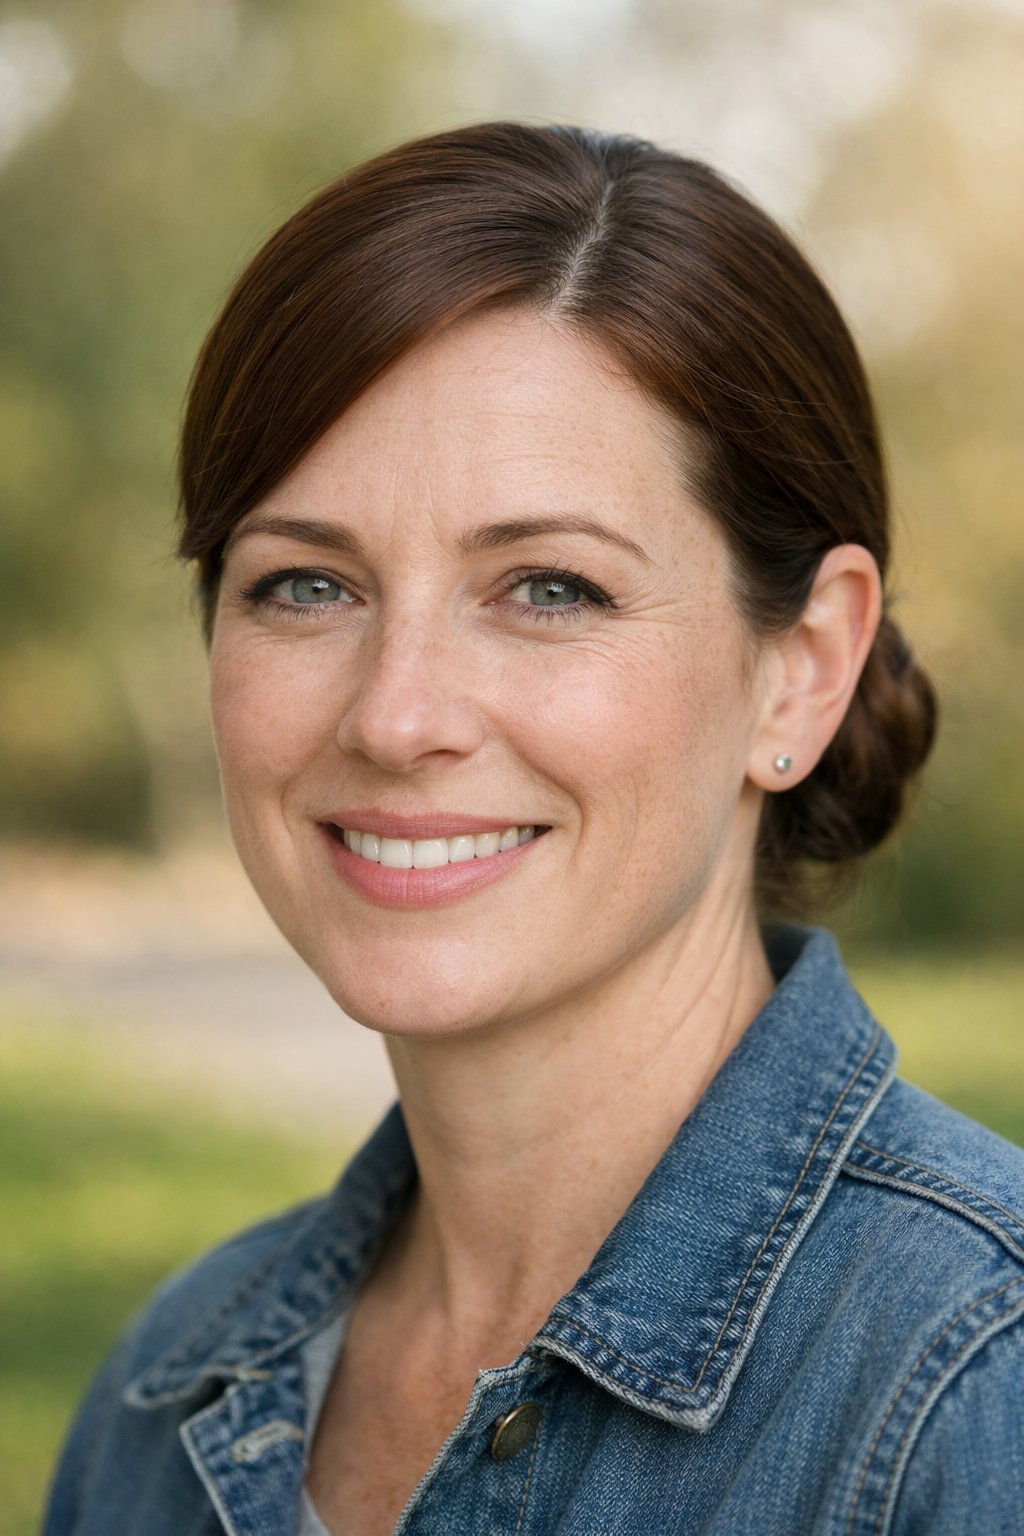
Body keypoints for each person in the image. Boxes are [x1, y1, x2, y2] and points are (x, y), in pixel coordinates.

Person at [45, 122, 1024, 1536]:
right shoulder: (169, 1389)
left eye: (549, 588)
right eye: (307, 586)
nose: (396, 716)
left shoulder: (978, 1388)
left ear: (802, 668)